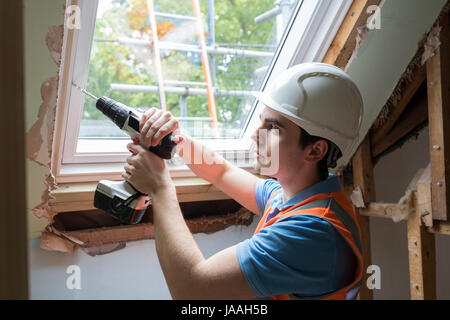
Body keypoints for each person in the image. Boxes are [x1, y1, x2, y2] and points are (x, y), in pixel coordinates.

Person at [122, 62, 364, 300]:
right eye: (261, 121)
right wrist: (174, 139)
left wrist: (160, 186)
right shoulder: (291, 195)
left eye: (272, 128)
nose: (254, 134)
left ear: (315, 151)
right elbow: (221, 172)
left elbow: (192, 291)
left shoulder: (313, 232)